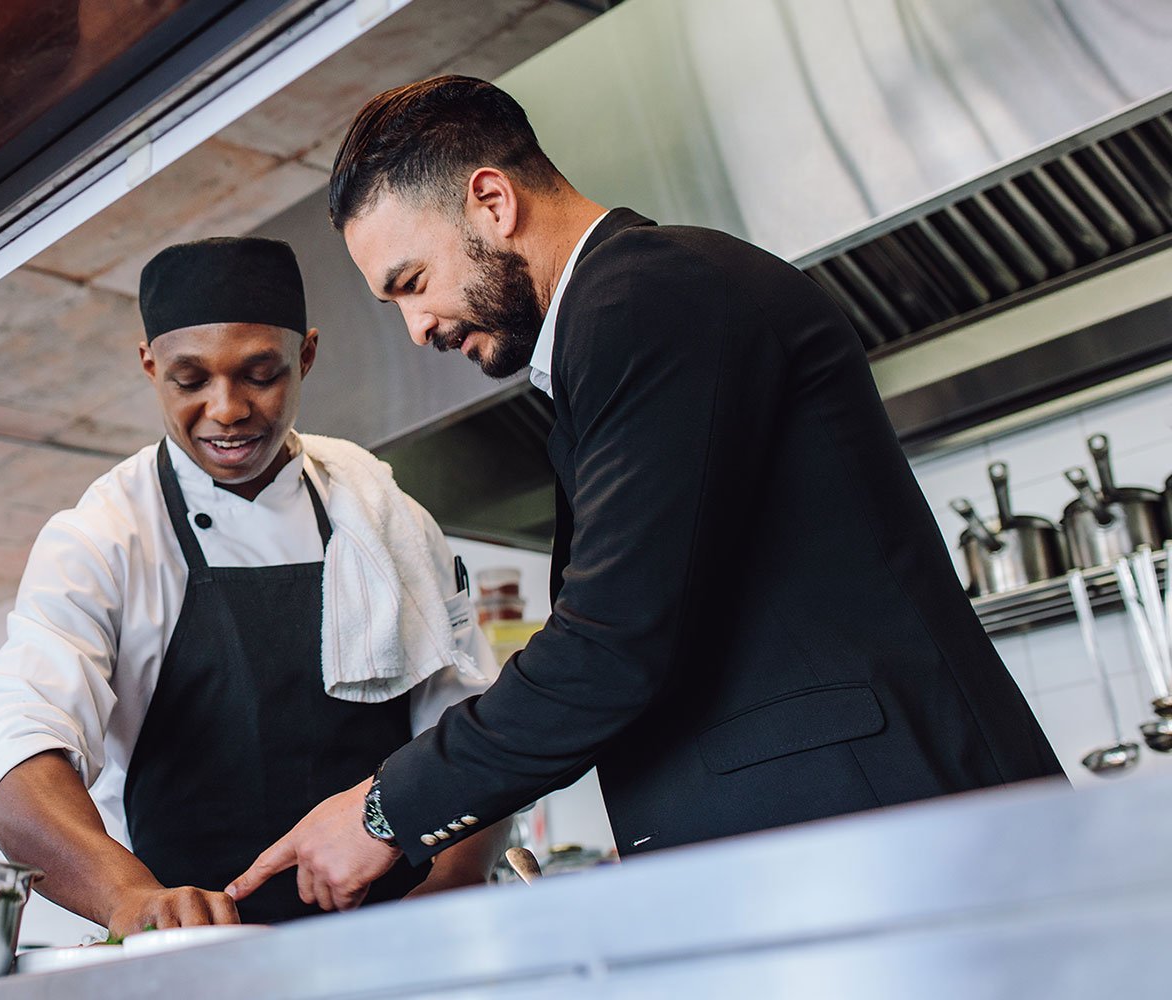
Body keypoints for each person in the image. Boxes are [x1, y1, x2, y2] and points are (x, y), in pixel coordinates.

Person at [227, 76, 1065, 912]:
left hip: (889, 846)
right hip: (839, 854)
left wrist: (383, 811)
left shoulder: (649, 296)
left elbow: (614, 641)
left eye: (411, 282)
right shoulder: (617, 322)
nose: (418, 330)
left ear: (490, 201)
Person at [0, 236, 503, 933]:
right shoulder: (103, 538)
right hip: (204, 954)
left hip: (403, 940)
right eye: (190, 381)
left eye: (260, 373)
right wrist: (127, 897)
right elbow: (16, 760)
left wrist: (456, 882)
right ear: (149, 365)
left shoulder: (382, 513)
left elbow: (469, 728)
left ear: (305, 355)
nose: (227, 410)